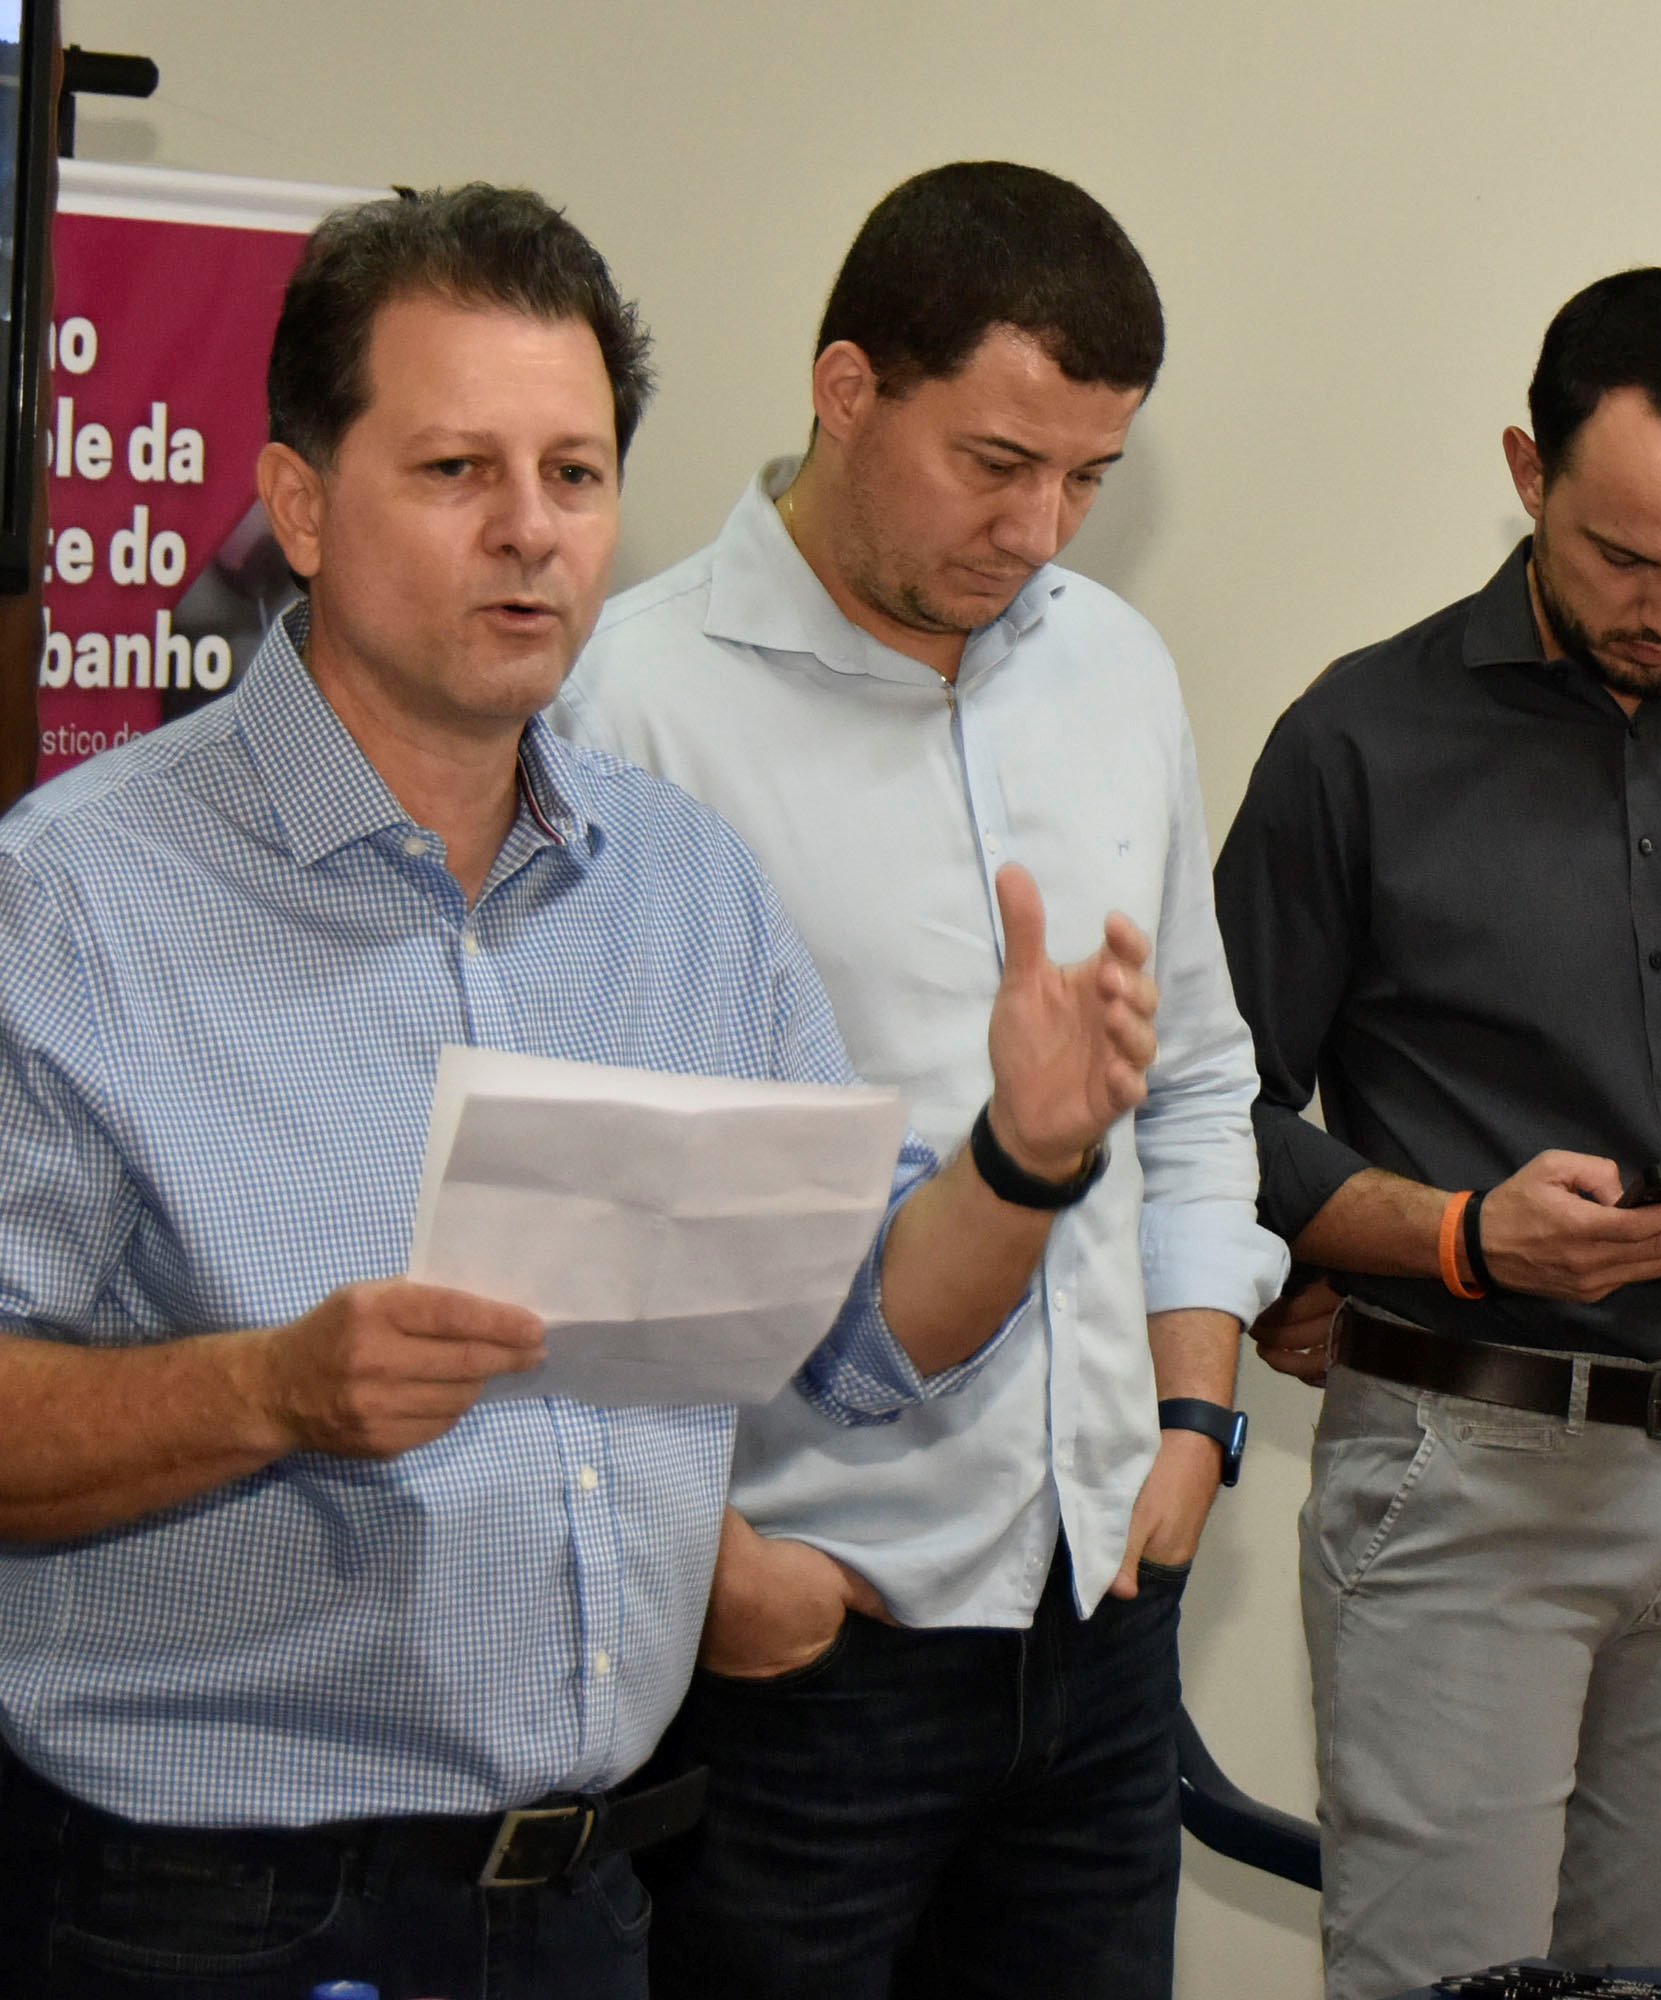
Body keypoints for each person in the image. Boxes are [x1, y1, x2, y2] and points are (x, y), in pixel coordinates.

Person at [0, 184, 1162, 2000]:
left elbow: (863, 1342)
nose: (530, 533)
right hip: (213, 1916)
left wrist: (1026, 1157)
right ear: (300, 504)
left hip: (586, 1902)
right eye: (456, 471)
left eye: (576, 474)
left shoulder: (686, 889)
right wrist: (270, 1391)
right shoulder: (74, 899)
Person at [552, 161, 1279, 2000]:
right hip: (811, 1649)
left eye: (1091, 478)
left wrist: (1196, 1415)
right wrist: (715, 1574)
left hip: (1102, 1613)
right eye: (997, 462)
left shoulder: (1113, 669)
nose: (1041, 529)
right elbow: (572, 1220)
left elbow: (1198, 1079)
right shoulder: (629, 707)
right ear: (847, 389)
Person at [1215, 267, 1661, 2000]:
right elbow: (1208, 1111)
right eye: (1626, 557)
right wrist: (1443, 1237)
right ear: (1528, 472)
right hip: (1472, 1474)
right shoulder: (1357, 740)